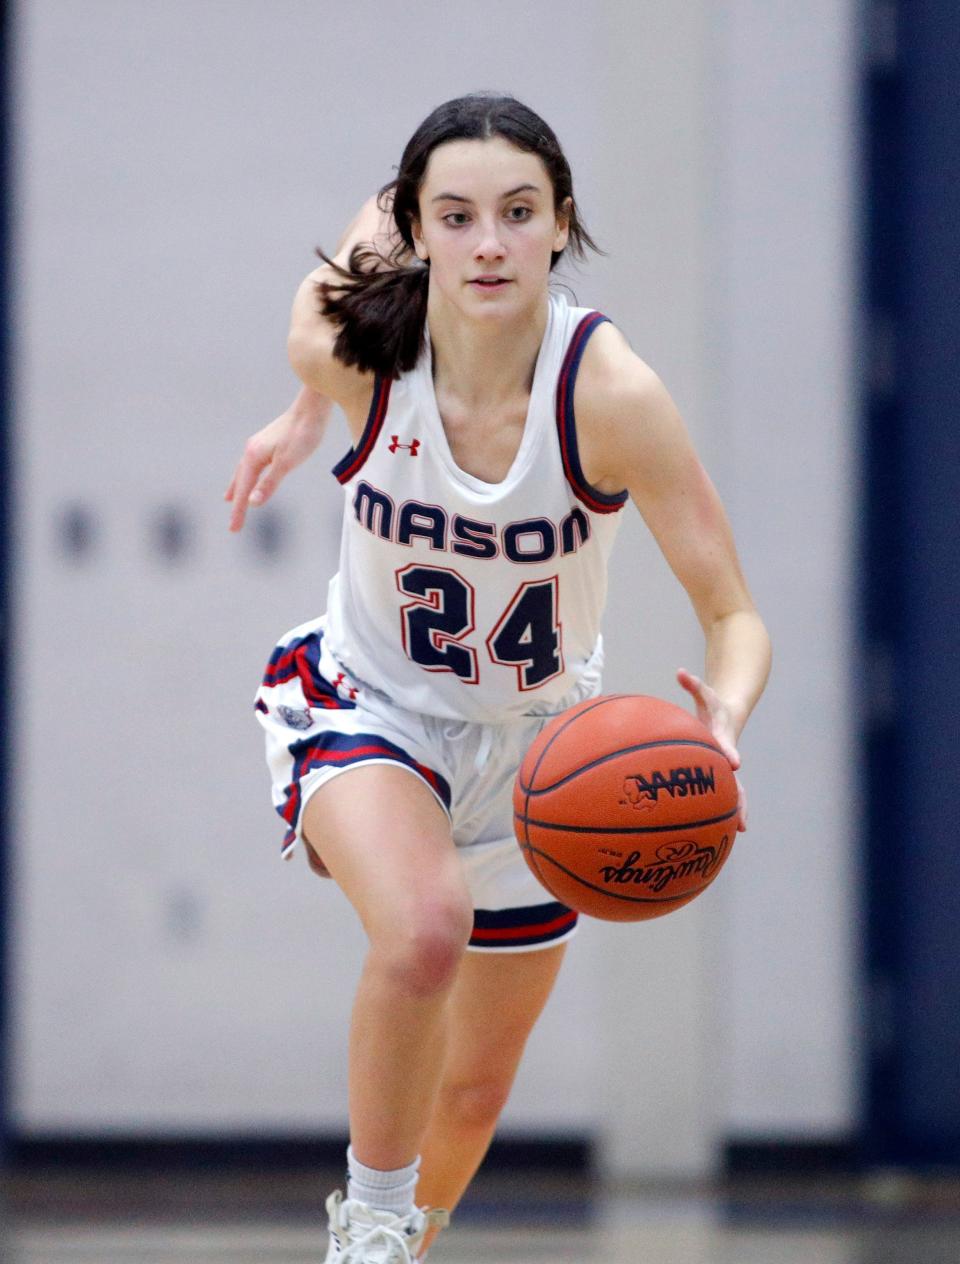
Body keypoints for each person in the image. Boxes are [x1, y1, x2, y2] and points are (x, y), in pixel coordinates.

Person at [226, 93, 771, 1264]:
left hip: (542, 752)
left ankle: (409, 1242)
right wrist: (305, 408)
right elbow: (340, 322)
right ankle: (365, 1233)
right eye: (457, 215)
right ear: (415, 229)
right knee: (426, 931)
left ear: (559, 225)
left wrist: (723, 711)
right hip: (370, 706)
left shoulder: (609, 394)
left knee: (471, 1096)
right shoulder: (348, 354)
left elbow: (732, 612)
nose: (488, 244)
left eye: (519, 214)